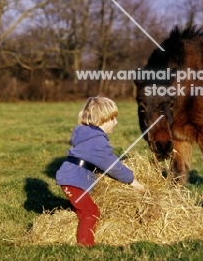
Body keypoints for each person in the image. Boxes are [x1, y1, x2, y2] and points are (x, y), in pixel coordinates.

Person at [56, 96, 144, 246]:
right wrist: (132, 181)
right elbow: (113, 166)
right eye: (113, 118)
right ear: (101, 120)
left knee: (83, 209)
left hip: (71, 179)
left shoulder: (88, 136)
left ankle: (79, 230)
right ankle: (86, 244)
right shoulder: (97, 142)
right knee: (92, 212)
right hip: (73, 182)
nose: (116, 122)